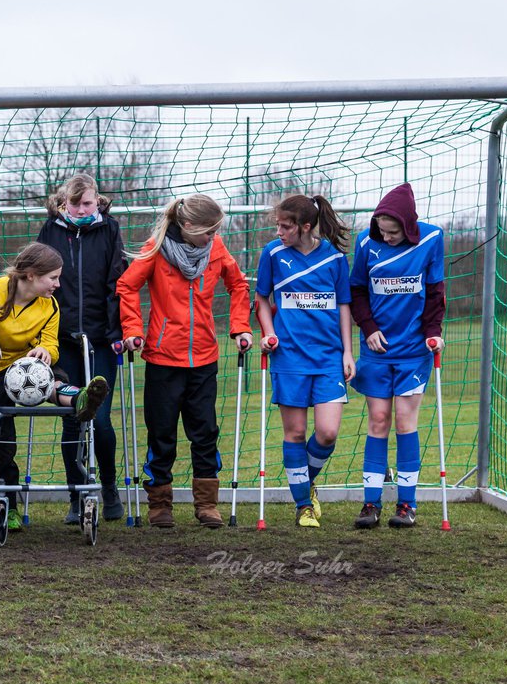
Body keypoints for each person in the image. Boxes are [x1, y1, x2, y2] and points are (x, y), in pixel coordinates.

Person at [0, 242, 109, 529]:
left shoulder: (50, 306)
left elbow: (51, 344)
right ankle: (6, 504)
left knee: (52, 378)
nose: (58, 285)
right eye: (54, 278)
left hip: (30, 366)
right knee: (2, 440)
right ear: (32, 275)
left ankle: (81, 400)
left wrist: (47, 352)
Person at [116, 195, 253, 529]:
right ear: (188, 226)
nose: (213, 237)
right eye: (209, 231)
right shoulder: (156, 247)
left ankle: (207, 505)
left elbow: (238, 285)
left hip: (204, 358)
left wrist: (240, 327)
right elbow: (127, 285)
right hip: (163, 359)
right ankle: (159, 505)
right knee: (162, 434)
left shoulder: (216, 249)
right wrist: (134, 329)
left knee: (205, 432)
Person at [254, 194, 354, 529]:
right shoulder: (273, 254)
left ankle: (304, 481)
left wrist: (347, 351)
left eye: (286, 226)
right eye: (278, 225)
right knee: (295, 432)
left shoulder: (335, 258)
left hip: (327, 358)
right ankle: (303, 506)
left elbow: (343, 306)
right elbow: (262, 298)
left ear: (306, 226)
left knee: (327, 433)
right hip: (289, 357)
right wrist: (269, 333)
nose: (279, 231)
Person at [349, 183, 446, 529]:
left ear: (407, 226)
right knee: (378, 420)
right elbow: (357, 289)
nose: (386, 238)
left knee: (406, 421)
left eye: (393, 232)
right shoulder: (365, 242)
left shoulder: (432, 239)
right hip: (376, 351)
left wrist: (433, 332)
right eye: (382, 231)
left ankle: (407, 504)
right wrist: (369, 327)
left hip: (413, 352)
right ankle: (370, 504)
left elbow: (435, 292)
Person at [36, 174, 127, 523]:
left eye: (87, 204)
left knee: (100, 418)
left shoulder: (109, 229)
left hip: (102, 339)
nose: (82, 209)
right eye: (75, 205)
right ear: (64, 204)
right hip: (61, 341)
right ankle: (77, 495)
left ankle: (108, 488)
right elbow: (40, 277)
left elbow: (115, 280)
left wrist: (113, 328)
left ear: (97, 201)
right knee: (72, 418)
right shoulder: (52, 230)